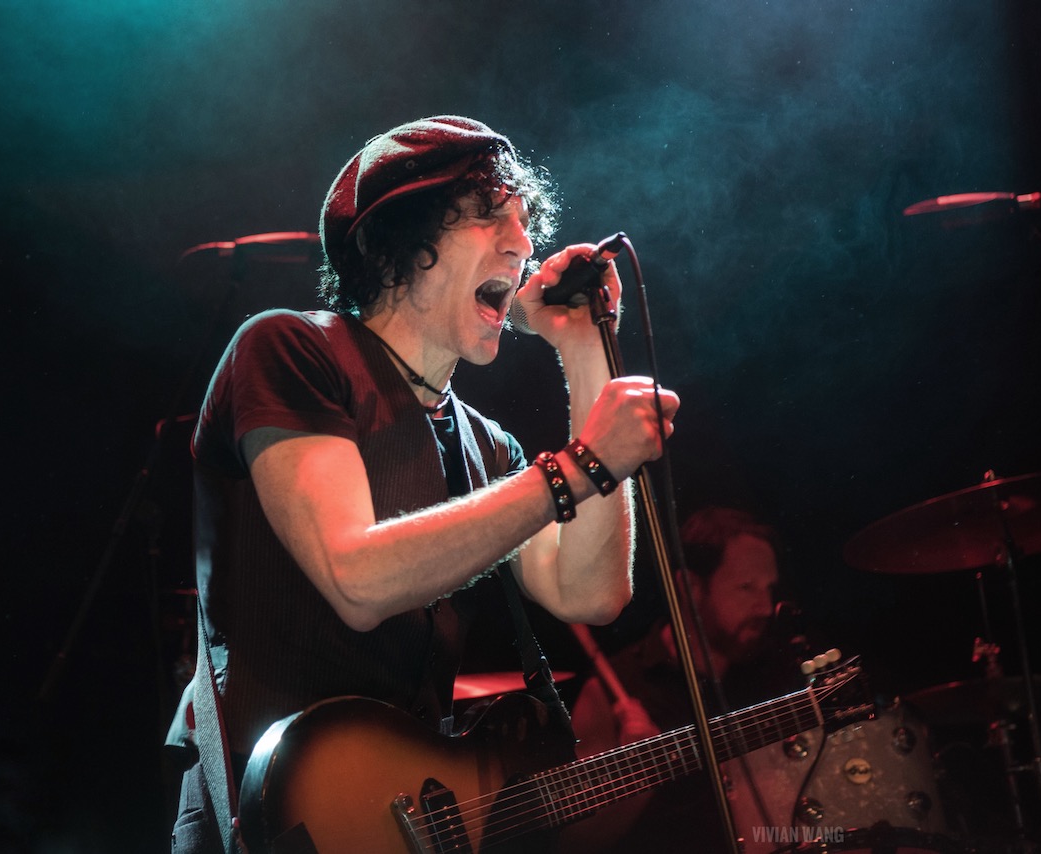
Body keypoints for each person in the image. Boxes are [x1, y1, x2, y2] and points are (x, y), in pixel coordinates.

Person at [166, 115, 680, 853]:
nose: (523, 244)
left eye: (524, 222)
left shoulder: (485, 443)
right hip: (267, 814)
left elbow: (591, 594)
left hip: (397, 820)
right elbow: (356, 578)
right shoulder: (290, 348)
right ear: (401, 242)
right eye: (490, 217)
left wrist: (582, 349)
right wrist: (576, 467)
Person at [564, 506, 804, 853]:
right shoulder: (613, 689)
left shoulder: (773, 671)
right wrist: (638, 775)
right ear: (690, 587)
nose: (765, 608)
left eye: (769, 589)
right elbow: (576, 843)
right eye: (746, 588)